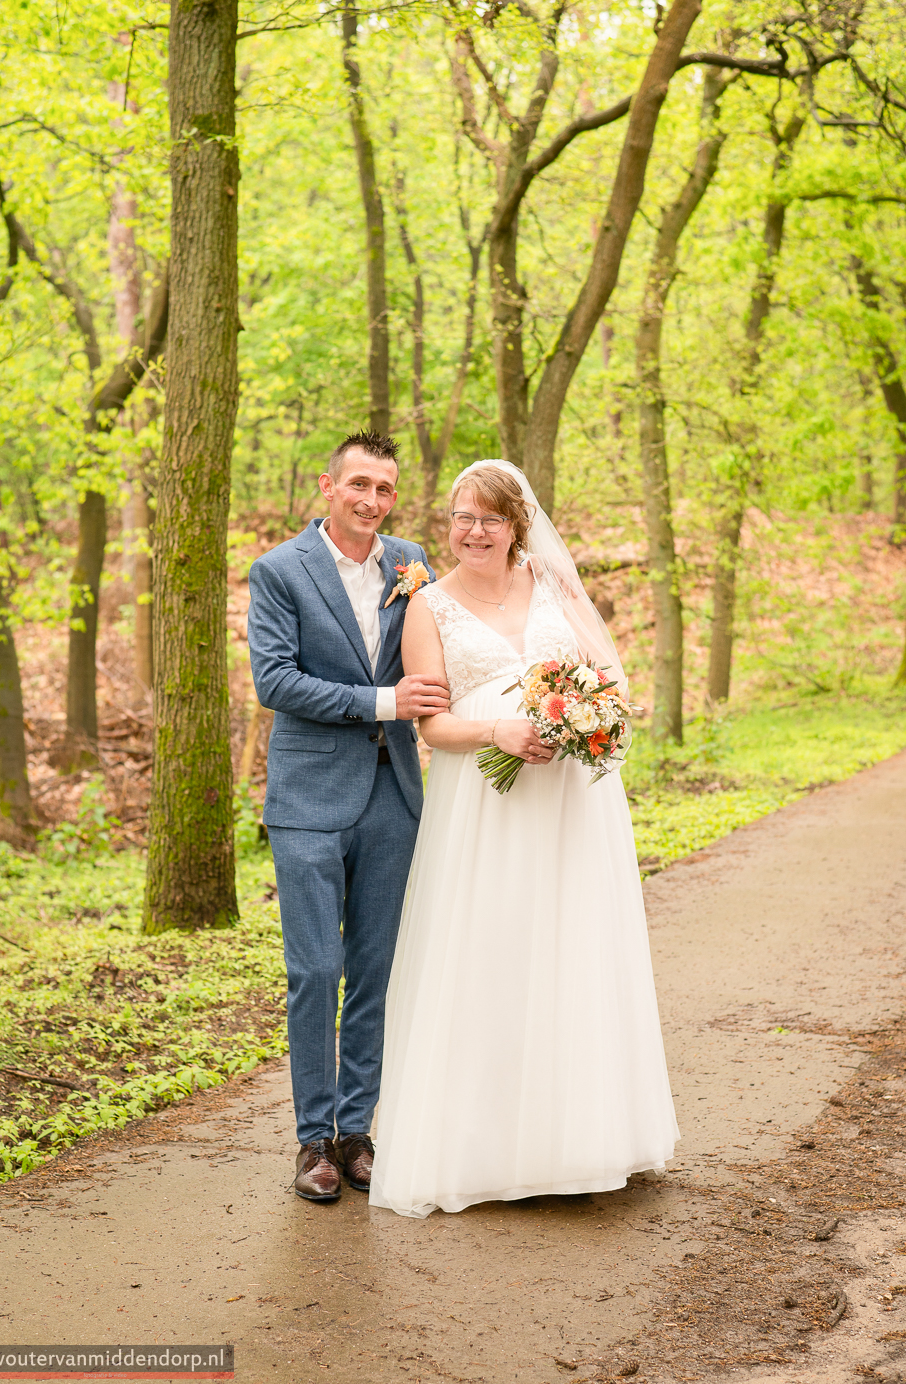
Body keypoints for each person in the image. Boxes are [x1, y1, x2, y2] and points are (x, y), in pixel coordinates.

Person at [368, 459, 679, 1218]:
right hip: (483, 807)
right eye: (460, 517)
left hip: (570, 800)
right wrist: (499, 728)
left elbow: (608, 676)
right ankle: (489, 1148)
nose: (472, 532)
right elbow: (432, 725)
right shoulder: (427, 605)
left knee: (573, 949)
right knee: (492, 951)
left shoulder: (551, 583)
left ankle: (582, 1139)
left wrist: (584, 717)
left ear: (517, 524)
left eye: (488, 519)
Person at [247, 430, 448, 1204]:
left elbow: (442, 646)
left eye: (384, 489)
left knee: (373, 971)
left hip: (392, 795)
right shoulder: (279, 571)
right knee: (314, 970)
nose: (371, 501)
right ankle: (312, 1140)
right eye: (358, 485)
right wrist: (381, 701)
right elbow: (276, 681)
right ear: (328, 487)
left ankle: (357, 1133)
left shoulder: (410, 561)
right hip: (307, 800)